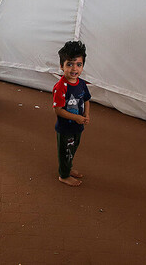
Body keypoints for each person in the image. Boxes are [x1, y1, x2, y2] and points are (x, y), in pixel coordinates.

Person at [52, 40, 91, 187]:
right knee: (65, 151)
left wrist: (86, 115)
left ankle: (68, 167)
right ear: (62, 66)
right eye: (69, 64)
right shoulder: (60, 87)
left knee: (73, 147)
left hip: (78, 126)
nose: (74, 69)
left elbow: (86, 99)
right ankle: (64, 175)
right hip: (65, 128)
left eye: (78, 65)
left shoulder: (81, 83)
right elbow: (58, 110)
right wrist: (77, 118)